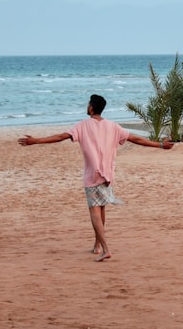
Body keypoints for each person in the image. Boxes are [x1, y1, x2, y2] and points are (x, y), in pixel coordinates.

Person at [18, 94, 174, 262]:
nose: (87, 106)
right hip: (108, 174)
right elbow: (135, 139)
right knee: (101, 208)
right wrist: (159, 145)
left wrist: (36, 141)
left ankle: (105, 249)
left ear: (91, 107)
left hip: (93, 175)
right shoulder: (113, 126)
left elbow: (60, 137)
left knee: (94, 211)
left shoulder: (83, 126)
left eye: (88, 104)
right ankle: (97, 245)